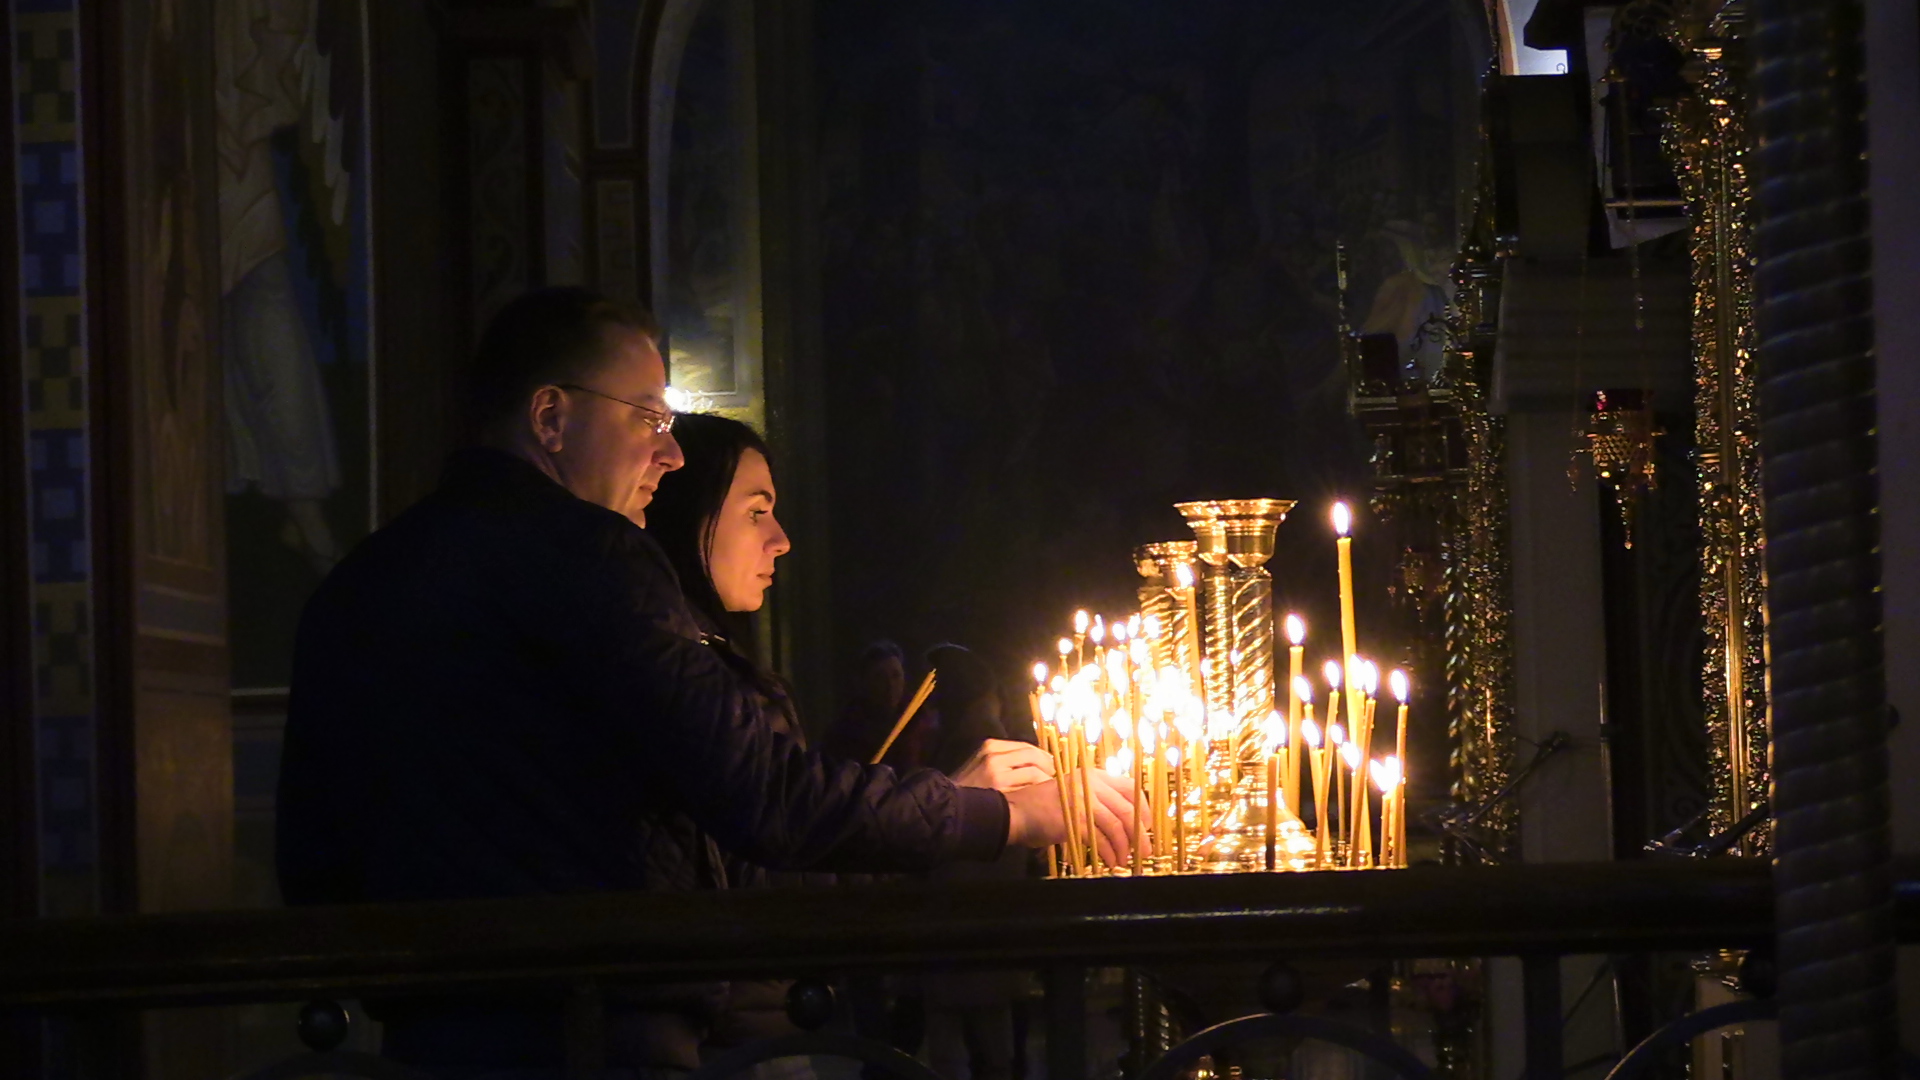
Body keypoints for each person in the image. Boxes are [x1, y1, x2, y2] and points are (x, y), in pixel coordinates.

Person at [275, 287, 1138, 1073]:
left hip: (427, 1044)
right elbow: (763, 792)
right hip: (599, 1031)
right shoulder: (590, 557)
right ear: (550, 417)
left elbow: (312, 863)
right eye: (649, 417)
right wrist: (999, 813)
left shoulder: (357, 586)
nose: (671, 454)